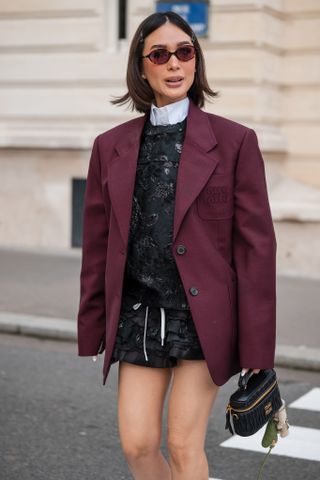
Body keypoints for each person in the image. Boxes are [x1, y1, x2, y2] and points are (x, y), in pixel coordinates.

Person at [77, 10, 276, 480]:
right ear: (141, 67)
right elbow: (98, 246)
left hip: (201, 317)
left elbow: (255, 253)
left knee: (184, 448)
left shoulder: (235, 142)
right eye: (160, 54)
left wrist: (257, 351)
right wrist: (92, 324)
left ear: (196, 61)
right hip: (139, 316)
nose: (174, 64)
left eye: (184, 53)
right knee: (138, 445)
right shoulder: (111, 146)